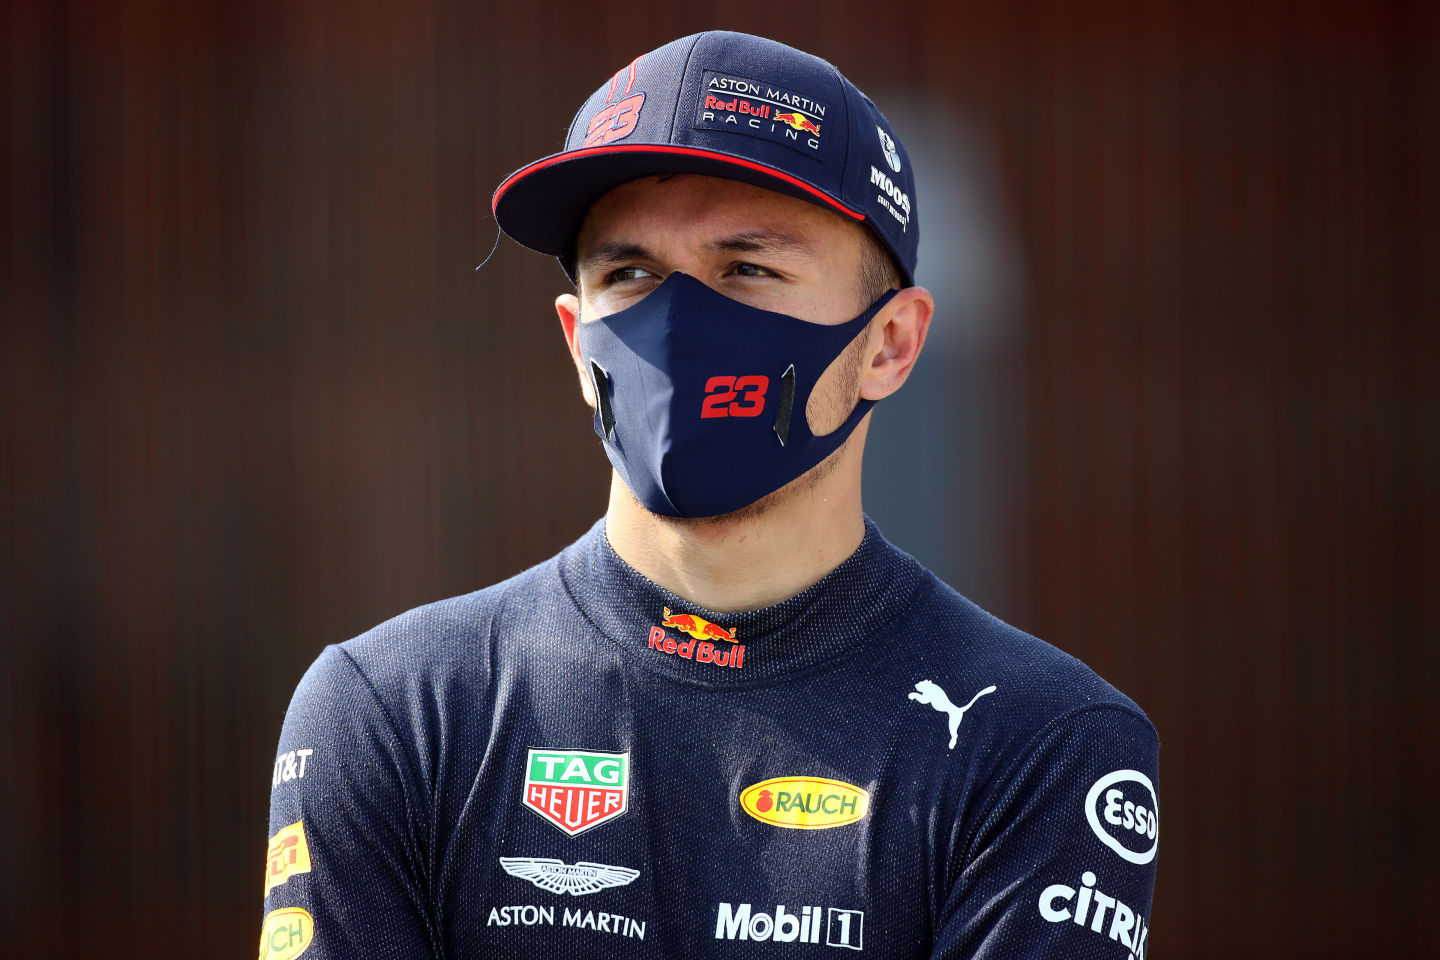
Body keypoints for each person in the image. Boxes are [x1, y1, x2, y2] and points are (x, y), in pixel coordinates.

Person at [260, 30, 1160, 960]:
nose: (678, 325)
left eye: (747, 269)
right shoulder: (399, 712)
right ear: (577, 342)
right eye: (632, 273)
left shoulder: (1037, 742)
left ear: (890, 343)